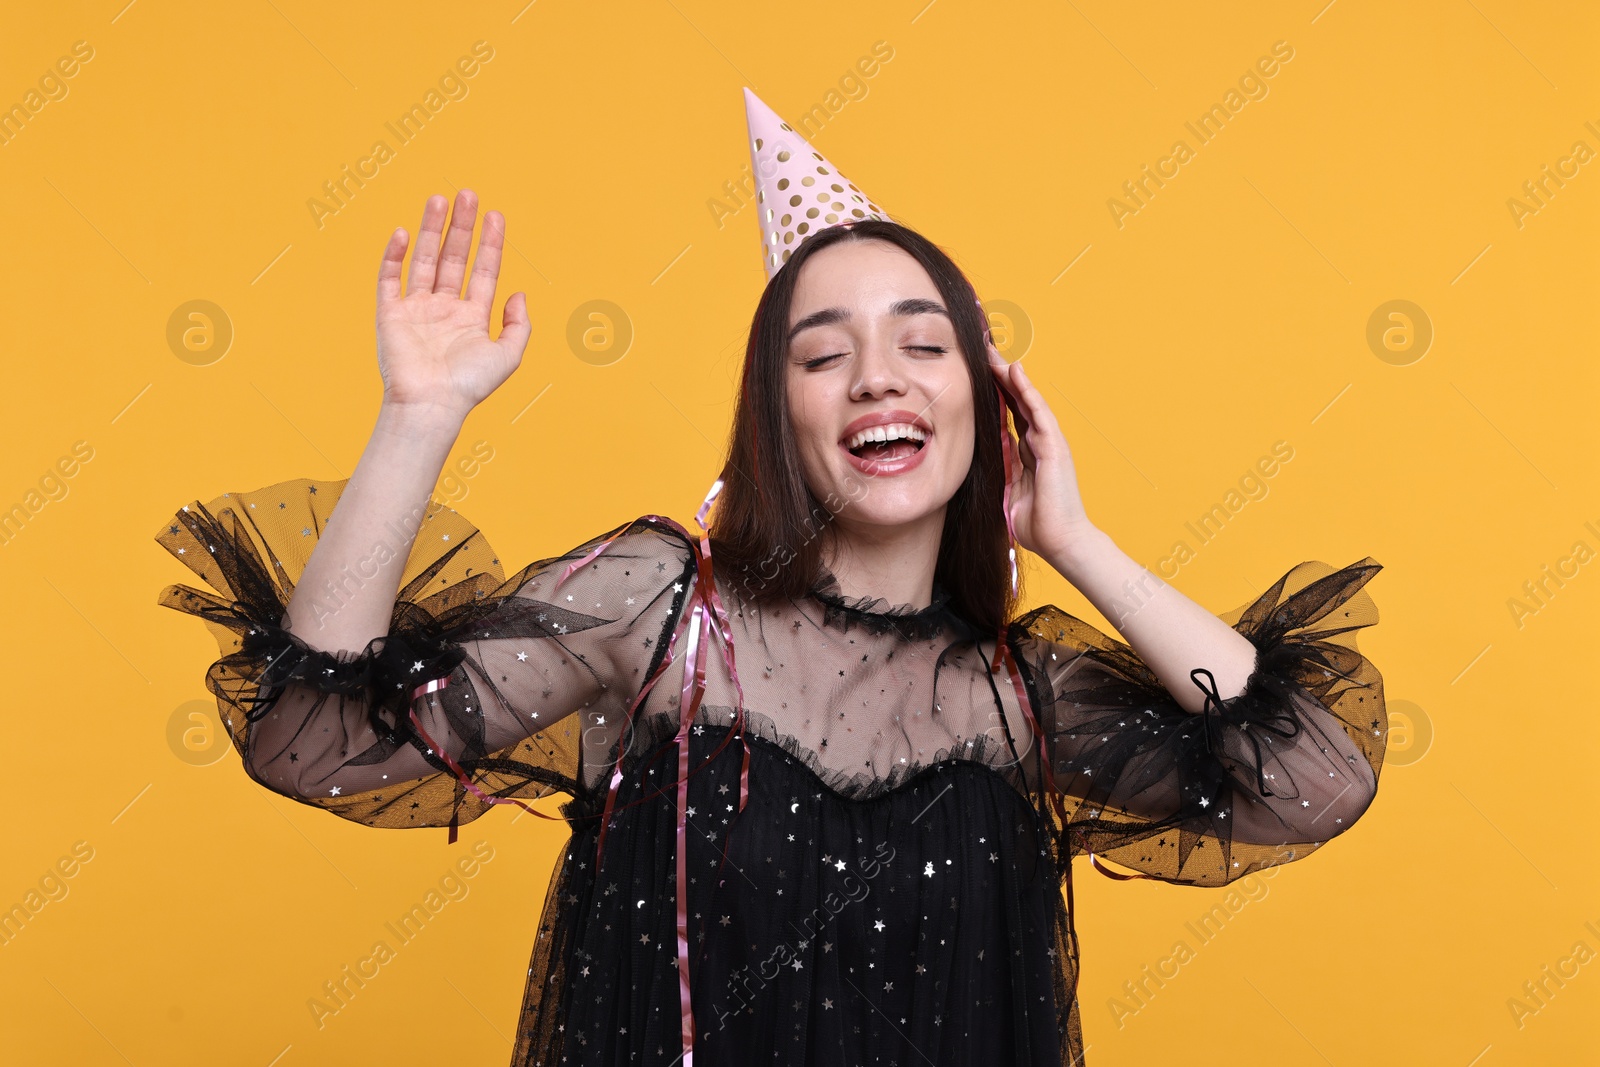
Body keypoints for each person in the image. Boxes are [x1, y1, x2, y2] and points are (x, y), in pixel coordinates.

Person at [154, 91, 1387, 1067]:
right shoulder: (656, 611)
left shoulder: (1020, 694)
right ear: (775, 413)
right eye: (822, 353)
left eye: (921, 342)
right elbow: (309, 737)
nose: (876, 377)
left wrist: (1072, 540)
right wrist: (418, 419)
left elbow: (1313, 779)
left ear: (983, 400)